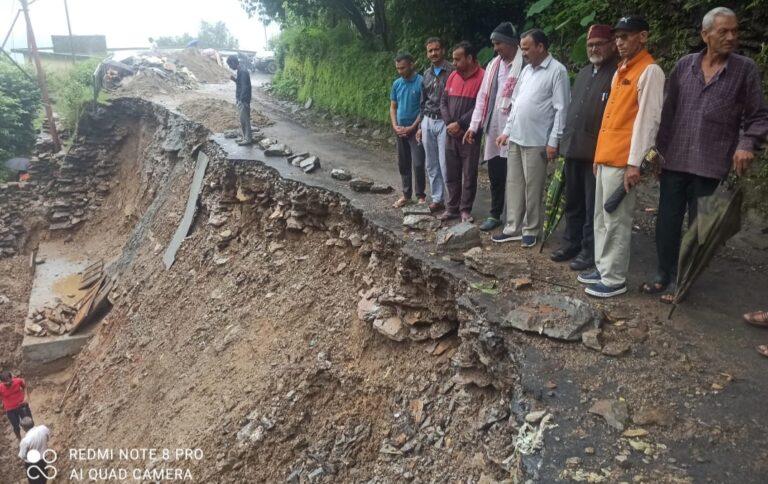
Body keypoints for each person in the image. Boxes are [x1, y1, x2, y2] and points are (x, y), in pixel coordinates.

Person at [641, 7, 768, 301]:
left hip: (713, 165)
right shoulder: (685, 66)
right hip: (675, 159)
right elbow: (668, 113)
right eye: (723, 31)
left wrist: (746, 144)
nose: (731, 37)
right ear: (705, 35)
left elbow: (759, 117)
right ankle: (663, 272)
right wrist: (657, 152)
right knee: (668, 222)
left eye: (735, 31)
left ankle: (684, 279)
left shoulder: (744, 70)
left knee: (702, 228)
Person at [578, 16, 664, 298]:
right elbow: (609, 118)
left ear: (643, 37)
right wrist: (597, 156)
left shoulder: (649, 71)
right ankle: (603, 268)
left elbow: (648, 121)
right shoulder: (620, 71)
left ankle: (614, 278)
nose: (620, 42)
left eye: (626, 36)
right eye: (618, 37)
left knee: (617, 219)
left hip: (624, 160)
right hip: (606, 156)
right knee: (602, 217)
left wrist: (635, 163)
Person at [494, 29, 570, 248]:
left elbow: (561, 109)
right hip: (517, 137)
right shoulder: (527, 71)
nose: (523, 52)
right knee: (514, 183)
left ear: (541, 47)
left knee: (533, 186)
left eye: (527, 48)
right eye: (522, 48)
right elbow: (515, 104)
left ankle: (531, 229)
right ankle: (512, 227)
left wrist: (554, 141)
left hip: (538, 139)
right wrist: (506, 131)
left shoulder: (558, 71)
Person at [551, 25, 618, 270]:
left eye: (599, 44)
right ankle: (571, 242)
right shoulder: (583, 72)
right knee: (573, 201)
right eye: (590, 45)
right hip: (572, 147)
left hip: (595, 152)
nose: (594, 48)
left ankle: (589, 251)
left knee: (592, 206)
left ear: (612, 44)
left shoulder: (617, 73)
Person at [463, 22, 524, 231]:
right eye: (494, 44)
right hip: (494, 128)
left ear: (510, 42)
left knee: (517, 177)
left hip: (518, 131)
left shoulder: (524, 64)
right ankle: (496, 213)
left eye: (498, 43)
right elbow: (483, 97)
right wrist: (473, 126)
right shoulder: (493, 66)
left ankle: (518, 220)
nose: (495, 48)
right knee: (496, 174)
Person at [438, 41, 485, 222]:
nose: (454, 63)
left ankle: (465, 209)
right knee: (452, 172)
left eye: (458, 59)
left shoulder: (483, 77)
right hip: (451, 132)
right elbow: (443, 101)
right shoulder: (452, 76)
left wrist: (461, 123)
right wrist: (450, 123)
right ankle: (452, 208)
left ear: (470, 58)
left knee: (469, 173)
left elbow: (480, 106)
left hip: (470, 134)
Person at [417, 37, 454, 213]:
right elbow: (422, 101)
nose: (433, 53)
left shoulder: (452, 72)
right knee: (431, 163)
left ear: (443, 50)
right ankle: (437, 199)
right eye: (430, 50)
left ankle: (453, 201)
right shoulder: (426, 74)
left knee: (446, 163)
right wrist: (420, 125)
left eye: (436, 49)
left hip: (444, 122)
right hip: (428, 120)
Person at [390, 52, 426, 208]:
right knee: (403, 163)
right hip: (400, 130)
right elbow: (393, 106)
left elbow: (424, 108)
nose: (400, 71)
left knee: (418, 163)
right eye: (398, 68)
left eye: (403, 68)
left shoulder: (421, 82)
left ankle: (421, 196)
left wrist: (412, 127)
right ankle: (406, 194)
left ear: (412, 64)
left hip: (416, 130)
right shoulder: (397, 84)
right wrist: (394, 125)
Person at [226, 55, 253, 146]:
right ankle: (245, 137)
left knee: (245, 120)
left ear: (233, 62)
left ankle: (247, 139)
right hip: (243, 98)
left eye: (230, 65)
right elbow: (241, 83)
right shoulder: (241, 70)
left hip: (243, 99)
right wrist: (235, 80)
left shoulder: (243, 71)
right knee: (243, 119)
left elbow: (245, 87)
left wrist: (241, 99)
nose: (230, 67)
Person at [0, 370, 33, 440]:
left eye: (9, 381)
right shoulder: (0, 388)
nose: (8, 383)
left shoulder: (18, 381)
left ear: (11, 378)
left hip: (22, 406)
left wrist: (26, 396)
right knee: (16, 426)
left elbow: (24, 386)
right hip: (10, 410)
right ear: (2, 382)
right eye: (6, 383)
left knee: (29, 422)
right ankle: (19, 438)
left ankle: (32, 436)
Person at [19, 417, 50, 484]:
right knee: (43, 477)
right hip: (43, 459)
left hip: (32, 464)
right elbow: (47, 438)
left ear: (24, 428)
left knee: (34, 481)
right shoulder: (43, 428)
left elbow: (23, 456)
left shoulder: (25, 441)